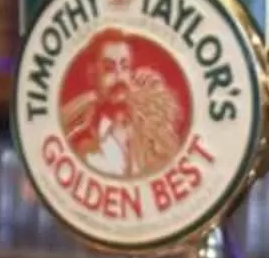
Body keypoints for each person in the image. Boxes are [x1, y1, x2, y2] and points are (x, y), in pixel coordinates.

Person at [63, 32, 186, 180]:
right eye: (109, 69)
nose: (119, 77)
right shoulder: (77, 140)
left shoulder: (154, 137)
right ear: (92, 75)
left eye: (125, 67)